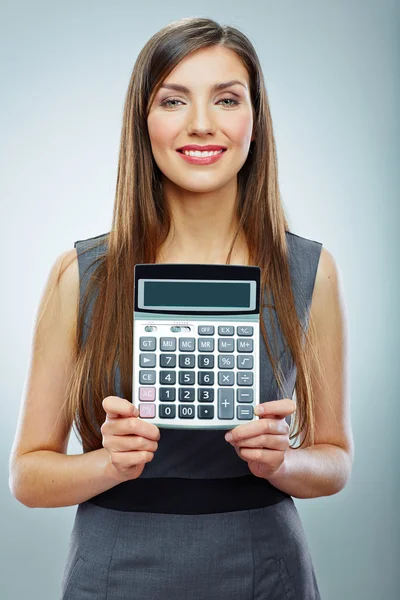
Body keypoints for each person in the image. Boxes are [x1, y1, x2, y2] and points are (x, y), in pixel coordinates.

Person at [9, 16, 354, 600]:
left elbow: (336, 459)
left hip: (263, 568)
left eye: (226, 99)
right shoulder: (82, 275)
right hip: (115, 568)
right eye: (173, 100)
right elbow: (28, 475)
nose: (201, 124)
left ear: (255, 120)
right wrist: (108, 464)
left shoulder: (310, 271)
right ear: (143, 123)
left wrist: (283, 462)